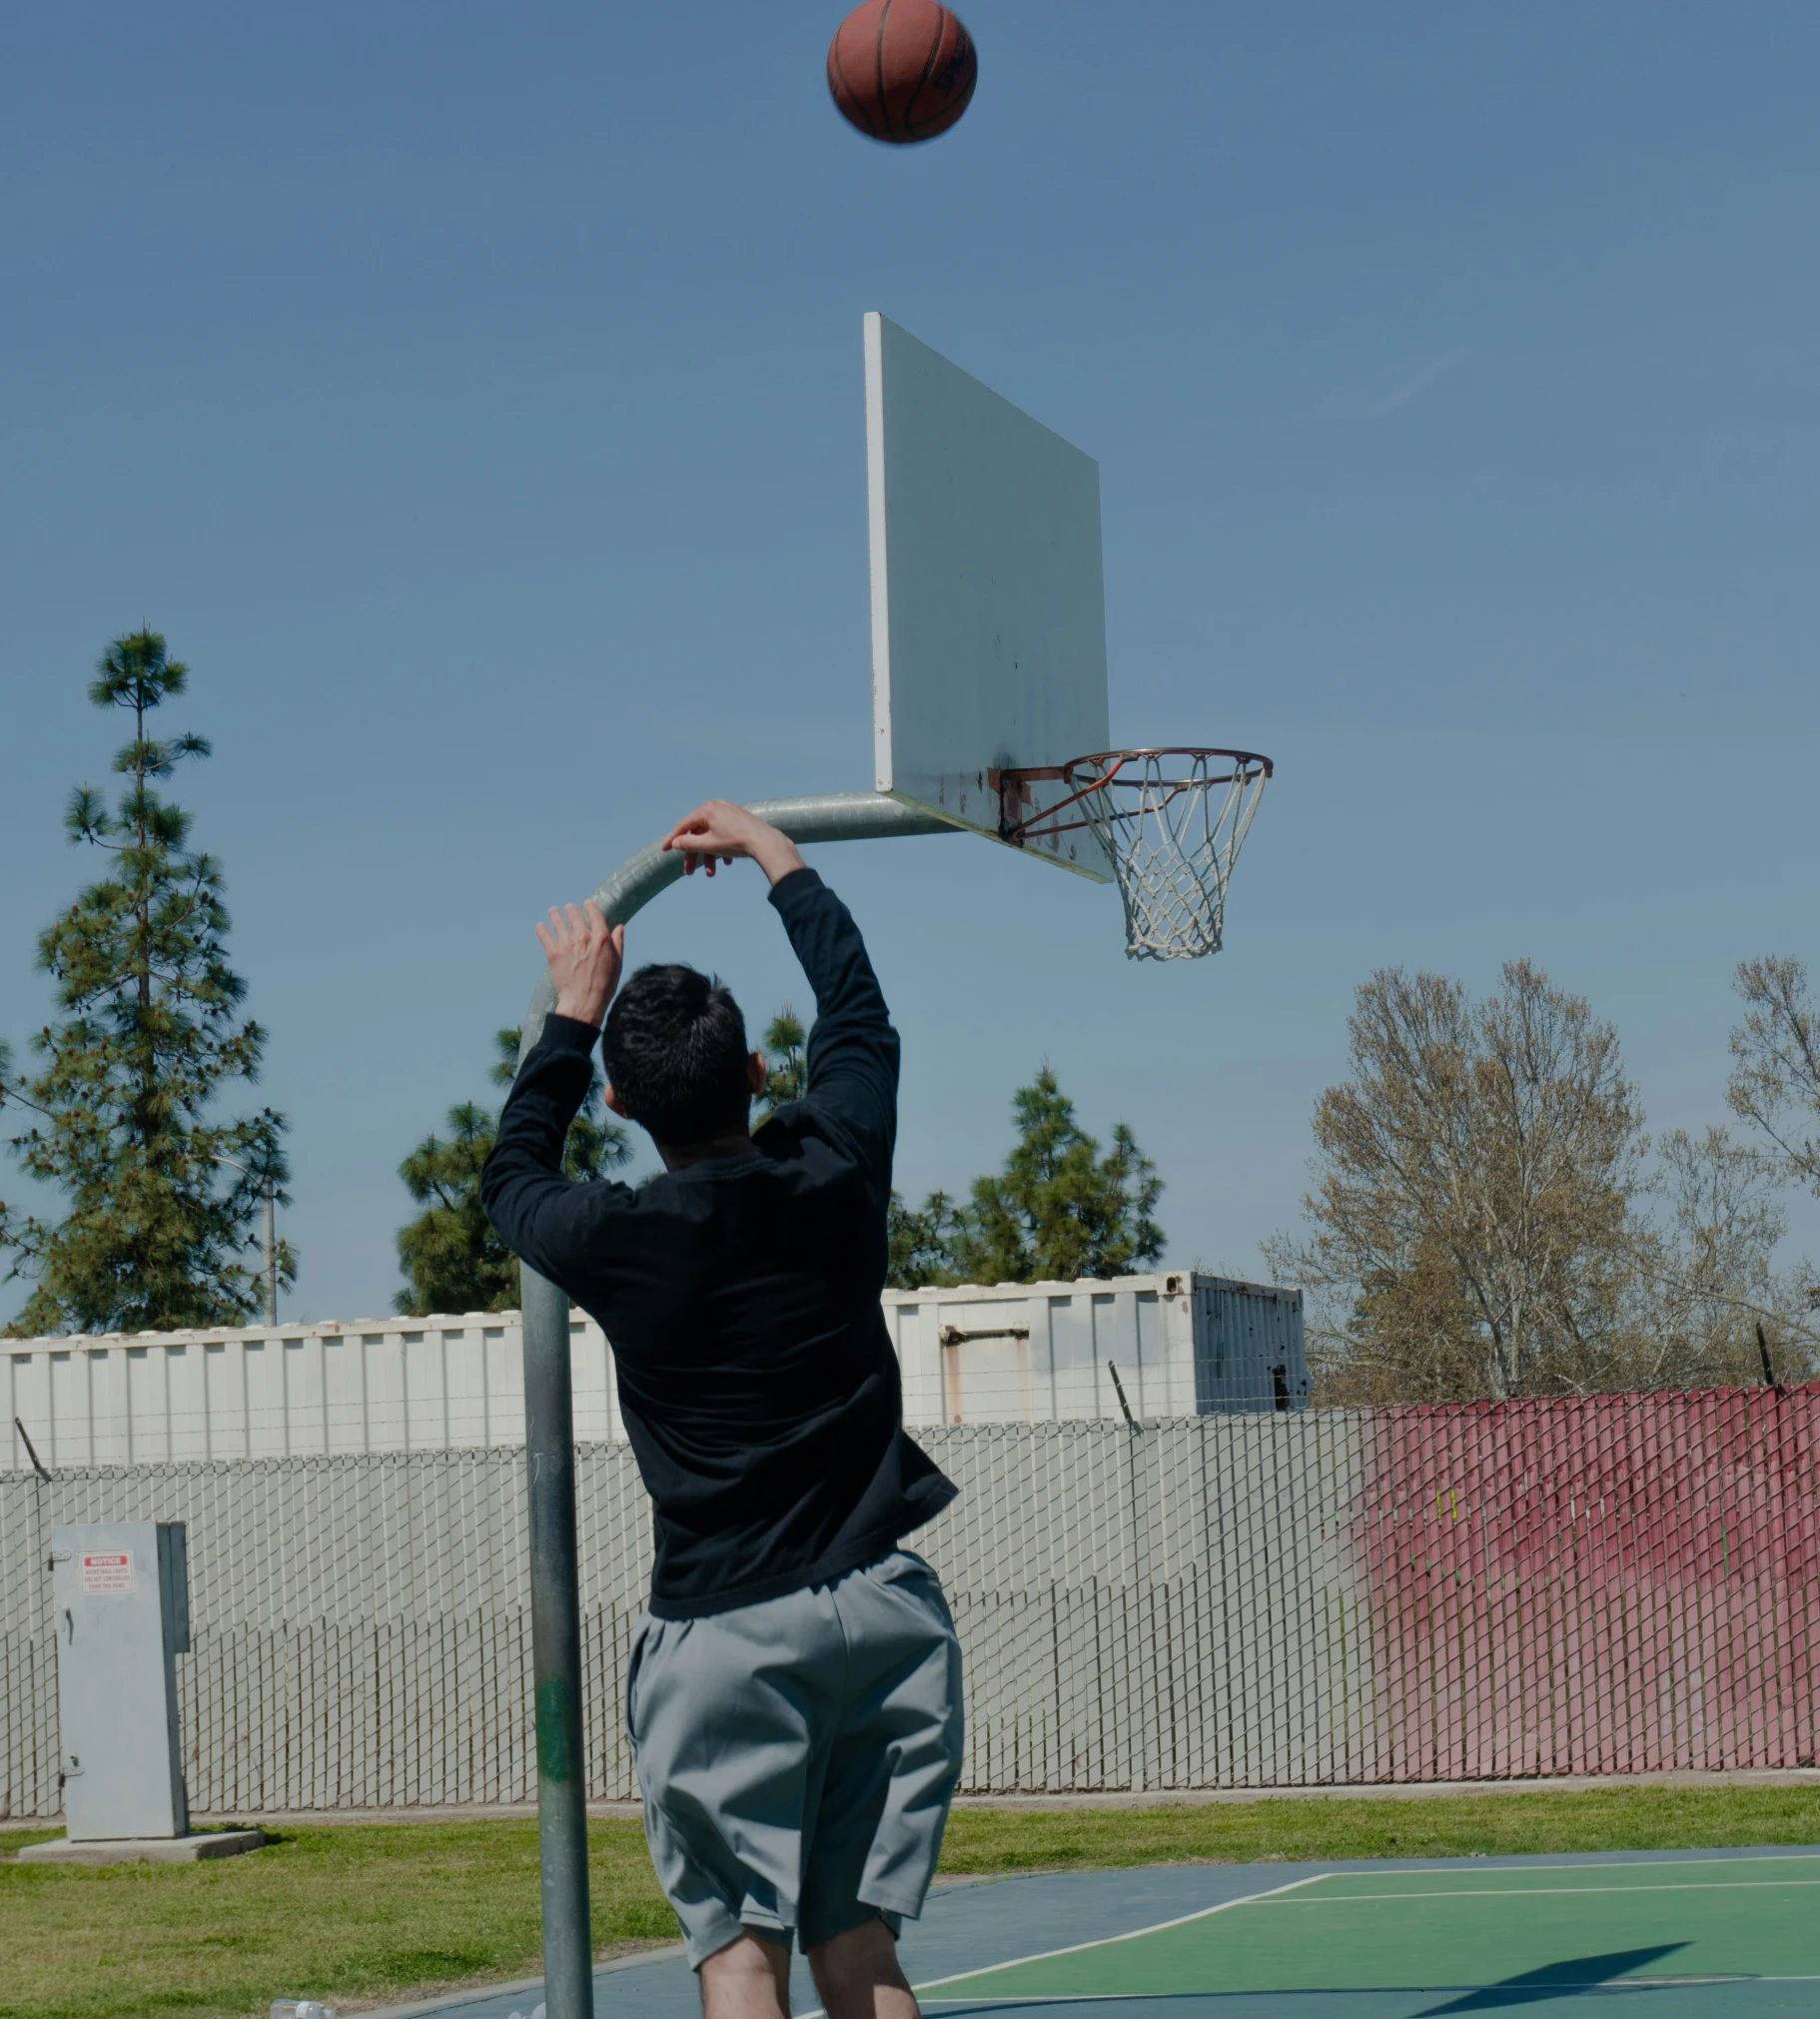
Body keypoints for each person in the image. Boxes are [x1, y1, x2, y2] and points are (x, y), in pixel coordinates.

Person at [481, 800, 963, 2019]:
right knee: (859, 1952)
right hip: (885, 1613)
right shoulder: (834, 1165)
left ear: (621, 1106)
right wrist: (773, 854)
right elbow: (858, 1015)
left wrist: (571, 1010)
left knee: (741, 1956)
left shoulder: (617, 1237)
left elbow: (512, 1174)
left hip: (725, 1635)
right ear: (757, 1075)